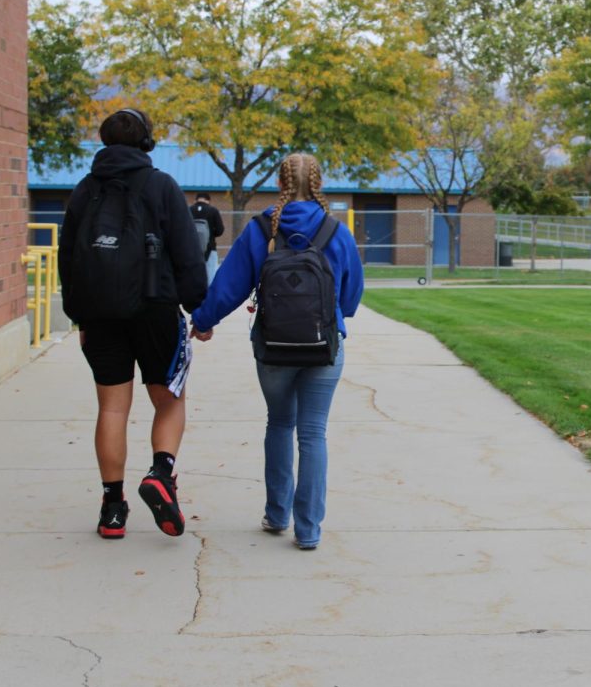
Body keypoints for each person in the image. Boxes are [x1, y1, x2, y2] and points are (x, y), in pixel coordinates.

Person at [190, 153, 363, 550]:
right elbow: (351, 297)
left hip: (273, 347)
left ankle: (277, 514)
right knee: (314, 433)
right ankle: (309, 531)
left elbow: (230, 286)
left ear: (279, 181)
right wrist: (335, 312)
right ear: (319, 182)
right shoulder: (337, 230)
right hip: (325, 346)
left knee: (280, 424)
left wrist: (203, 320)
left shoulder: (261, 228)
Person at [59, 109, 207, 540]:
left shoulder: (85, 190)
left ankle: (112, 509)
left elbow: (69, 259)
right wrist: (199, 308)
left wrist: (80, 315)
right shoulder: (161, 186)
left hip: (100, 315)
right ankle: (161, 473)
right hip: (155, 308)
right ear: (147, 142)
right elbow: (186, 255)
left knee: (112, 408)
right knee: (170, 400)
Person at [189, 192, 225, 284]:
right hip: (210, 248)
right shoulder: (213, 210)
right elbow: (220, 230)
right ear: (208, 200)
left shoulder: (189, 210)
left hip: (191, 250)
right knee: (210, 277)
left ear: (195, 200)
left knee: (192, 276)